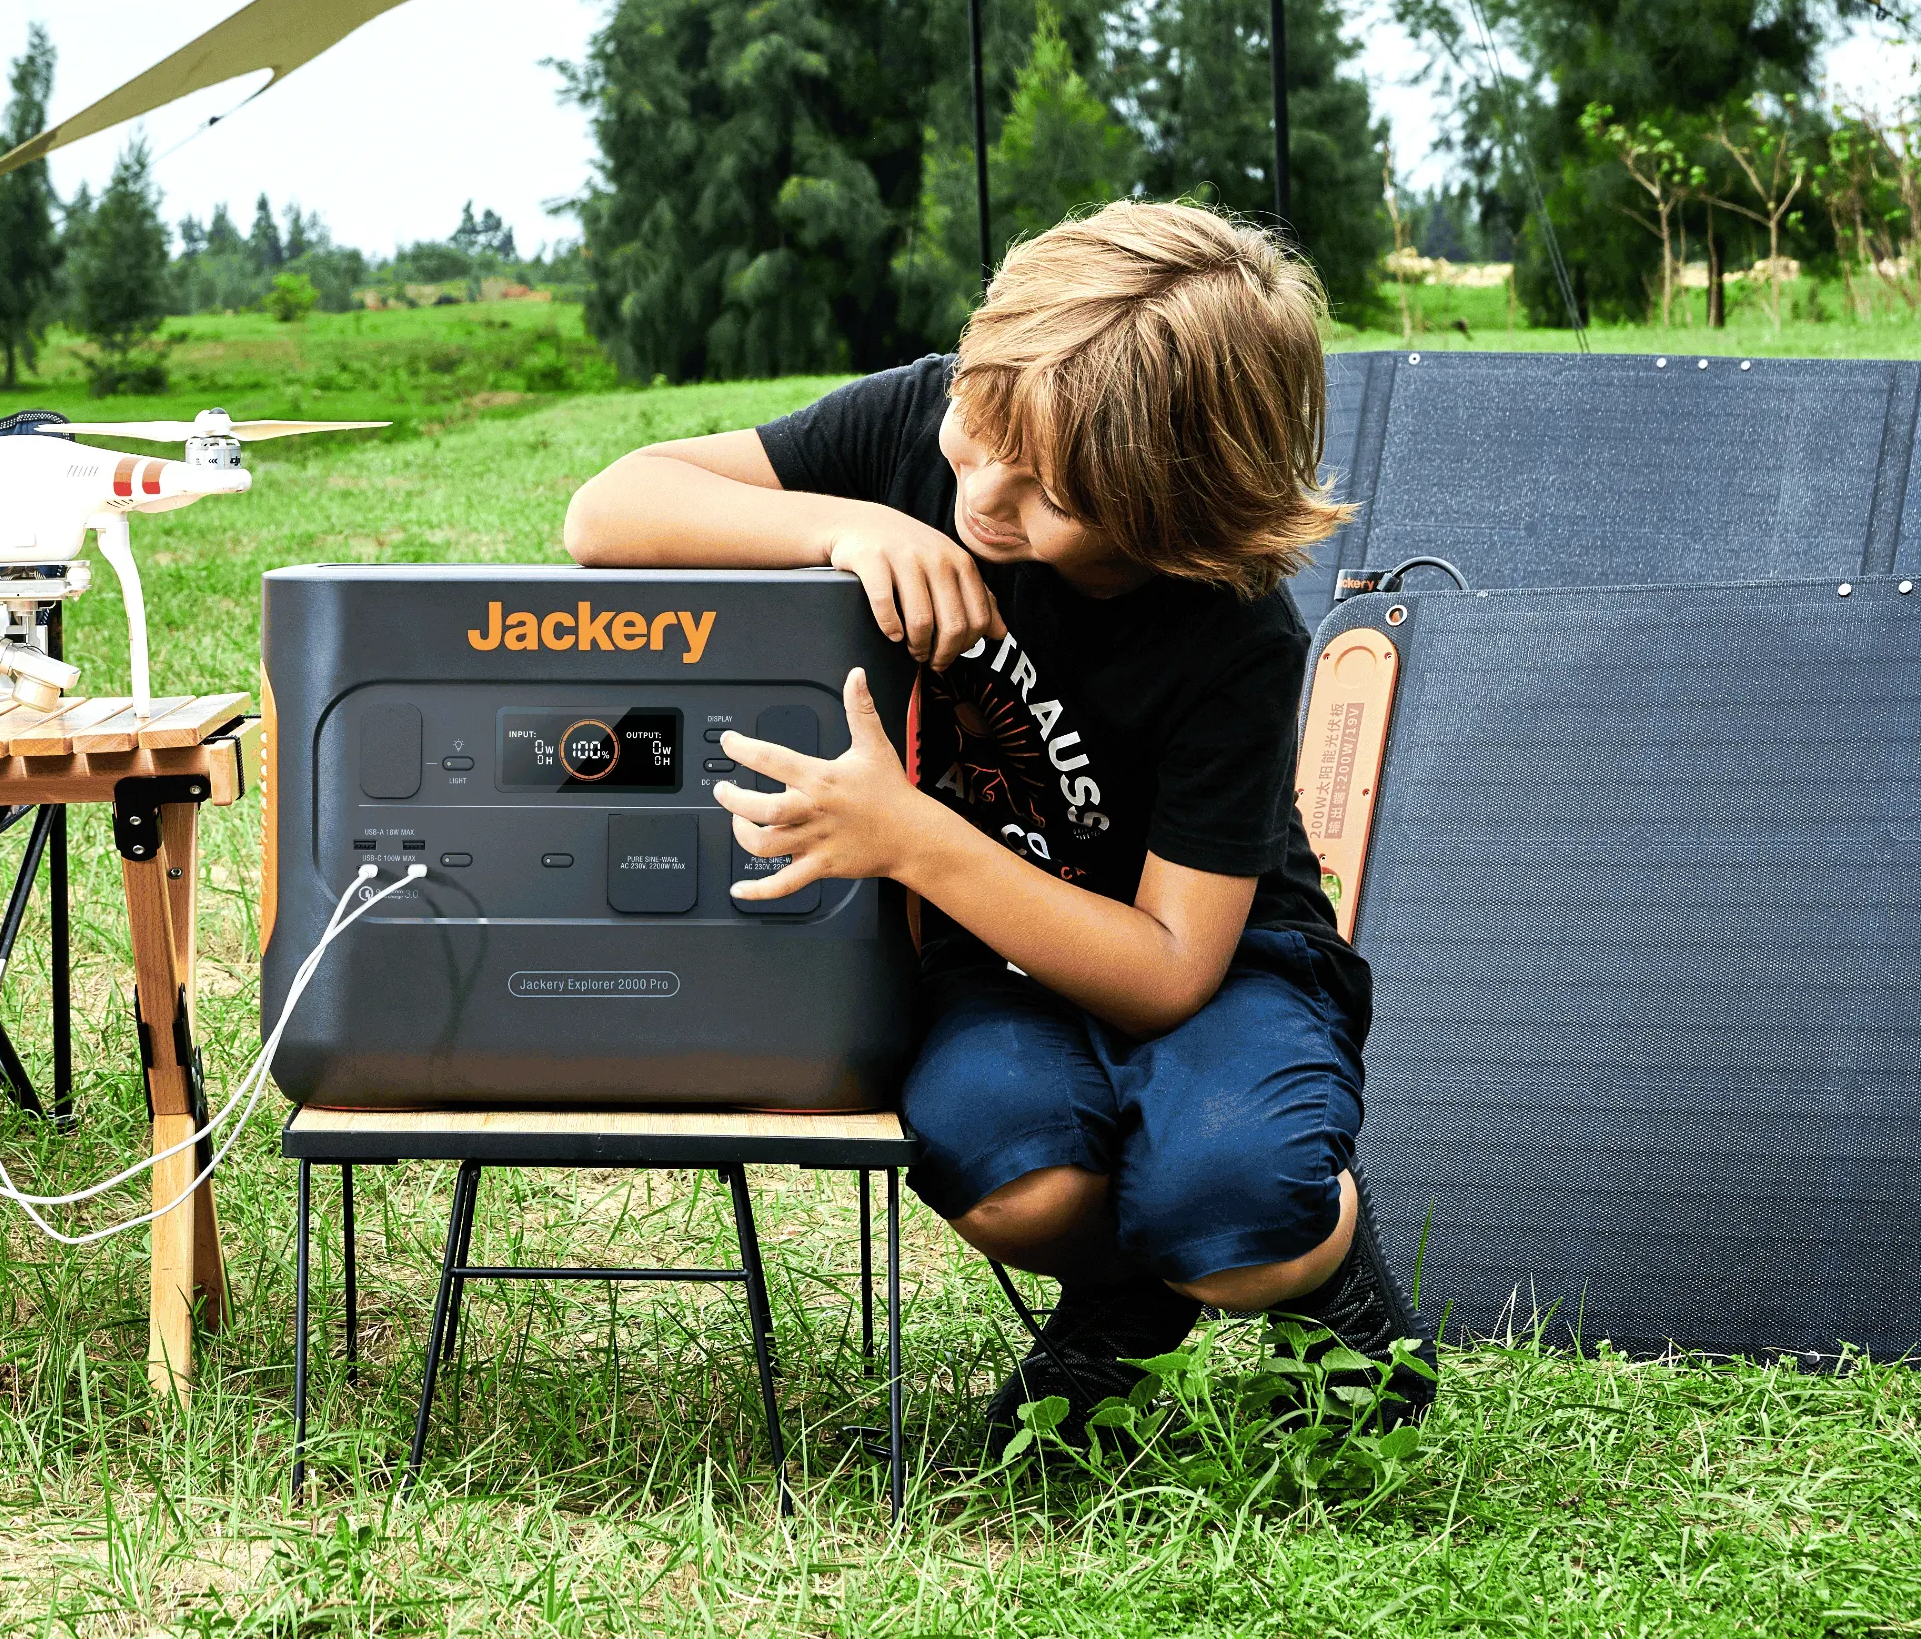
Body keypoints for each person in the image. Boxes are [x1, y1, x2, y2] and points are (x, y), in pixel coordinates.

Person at [560, 199, 1435, 1441]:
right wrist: (843, 519)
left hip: (1224, 963)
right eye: (981, 433)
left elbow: (1169, 970)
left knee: (1231, 1207)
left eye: (1052, 496)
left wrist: (911, 837)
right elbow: (606, 513)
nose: (986, 494)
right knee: (1006, 1178)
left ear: (1175, 511)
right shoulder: (941, 423)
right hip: (996, 958)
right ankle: (1127, 1293)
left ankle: (1325, 1275)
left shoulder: (1229, 632)